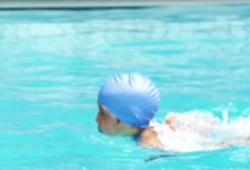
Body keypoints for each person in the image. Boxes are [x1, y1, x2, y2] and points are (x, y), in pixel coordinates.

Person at [95, 72, 250, 151]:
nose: (96, 119)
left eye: (103, 113)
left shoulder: (150, 144)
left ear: (126, 120)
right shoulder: (149, 126)